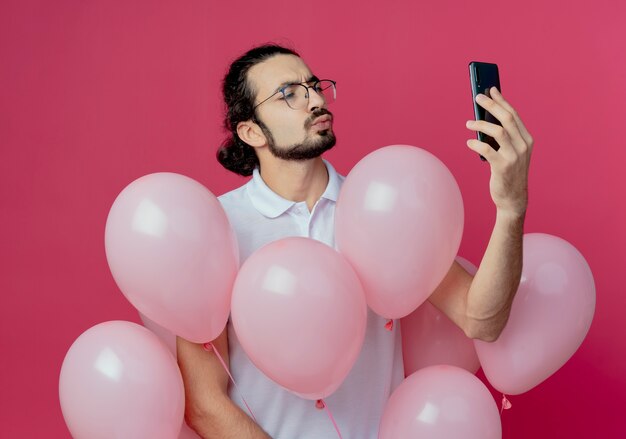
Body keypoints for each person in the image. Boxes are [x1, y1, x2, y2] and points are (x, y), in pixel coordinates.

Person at [177, 44, 533, 439]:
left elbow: (482, 320)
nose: (314, 99)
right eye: (289, 93)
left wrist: (511, 207)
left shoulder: (378, 211)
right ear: (251, 131)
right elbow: (204, 402)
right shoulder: (216, 227)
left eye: (314, 86)